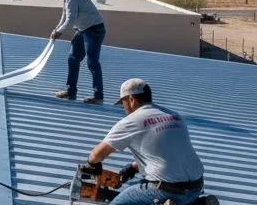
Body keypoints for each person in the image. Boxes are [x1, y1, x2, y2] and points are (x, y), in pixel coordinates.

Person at [84, 78, 216, 205]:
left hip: (167, 191)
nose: (123, 108)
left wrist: (92, 165)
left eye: (122, 103)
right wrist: (133, 167)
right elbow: (169, 152)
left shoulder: (131, 121)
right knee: (132, 184)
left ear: (131, 99)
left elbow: (96, 155)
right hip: (196, 187)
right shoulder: (174, 116)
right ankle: (198, 203)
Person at [48, 0, 106, 103]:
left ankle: (98, 96)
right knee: (73, 58)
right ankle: (70, 92)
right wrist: (56, 28)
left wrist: (59, 32)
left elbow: (70, 20)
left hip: (94, 29)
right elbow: (65, 15)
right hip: (83, 29)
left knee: (92, 62)